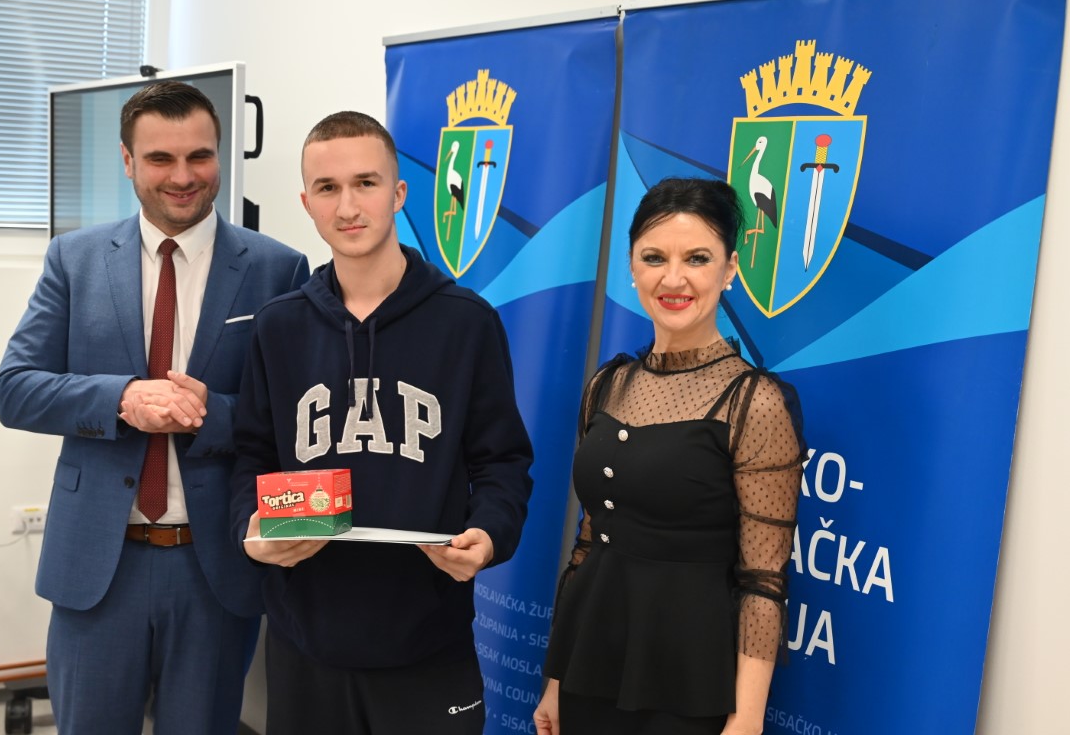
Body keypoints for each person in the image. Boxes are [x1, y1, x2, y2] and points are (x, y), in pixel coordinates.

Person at [0, 80, 308, 735]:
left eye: (200, 156)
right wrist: (120, 399)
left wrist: (215, 414)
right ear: (128, 160)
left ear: (220, 155)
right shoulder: (74, 259)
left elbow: (299, 418)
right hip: (98, 567)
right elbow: (15, 388)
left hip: (215, 568)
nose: (183, 177)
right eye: (161, 158)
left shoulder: (278, 269)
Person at [230, 111, 534, 735]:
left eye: (365, 183)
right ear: (307, 203)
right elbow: (251, 456)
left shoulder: (466, 322)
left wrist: (489, 533)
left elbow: (502, 461)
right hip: (305, 641)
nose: (347, 207)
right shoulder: (278, 326)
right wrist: (249, 530)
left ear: (398, 193)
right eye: (327, 188)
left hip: (428, 643)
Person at [533, 177, 804, 735]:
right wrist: (556, 682)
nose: (673, 279)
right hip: (589, 664)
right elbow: (589, 543)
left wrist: (747, 719)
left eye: (697, 258)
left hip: (688, 680)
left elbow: (764, 582)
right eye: (654, 258)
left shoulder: (754, 401)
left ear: (729, 269)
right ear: (632, 268)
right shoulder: (608, 384)